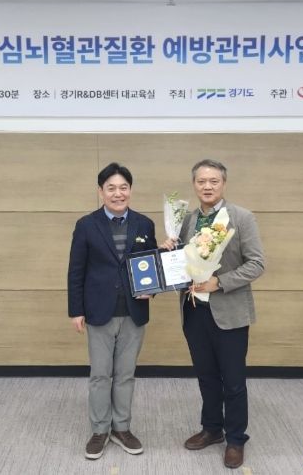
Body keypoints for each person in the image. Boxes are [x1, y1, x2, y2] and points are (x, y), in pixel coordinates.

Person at [162, 159, 265, 469]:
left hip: (229, 313)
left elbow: (256, 264)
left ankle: (235, 439)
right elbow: (182, 263)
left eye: (213, 181)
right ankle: (212, 428)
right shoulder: (186, 220)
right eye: (201, 181)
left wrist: (218, 282)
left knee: (233, 380)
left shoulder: (241, 217)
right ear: (194, 185)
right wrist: (167, 251)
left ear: (223, 184)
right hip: (194, 311)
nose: (207, 186)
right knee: (206, 376)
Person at [68, 162, 157, 460]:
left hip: (134, 311)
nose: (118, 193)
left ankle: (121, 428)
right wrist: (76, 310)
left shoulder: (144, 224)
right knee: (100, 374)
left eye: (123, 187)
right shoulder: (86, 225)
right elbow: (76, 271)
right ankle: (99, 430)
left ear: (130, 190)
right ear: (101, 191)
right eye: (111, 188)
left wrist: (153, 288)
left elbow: (151, 265)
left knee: (125, 374)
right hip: (98, 311)